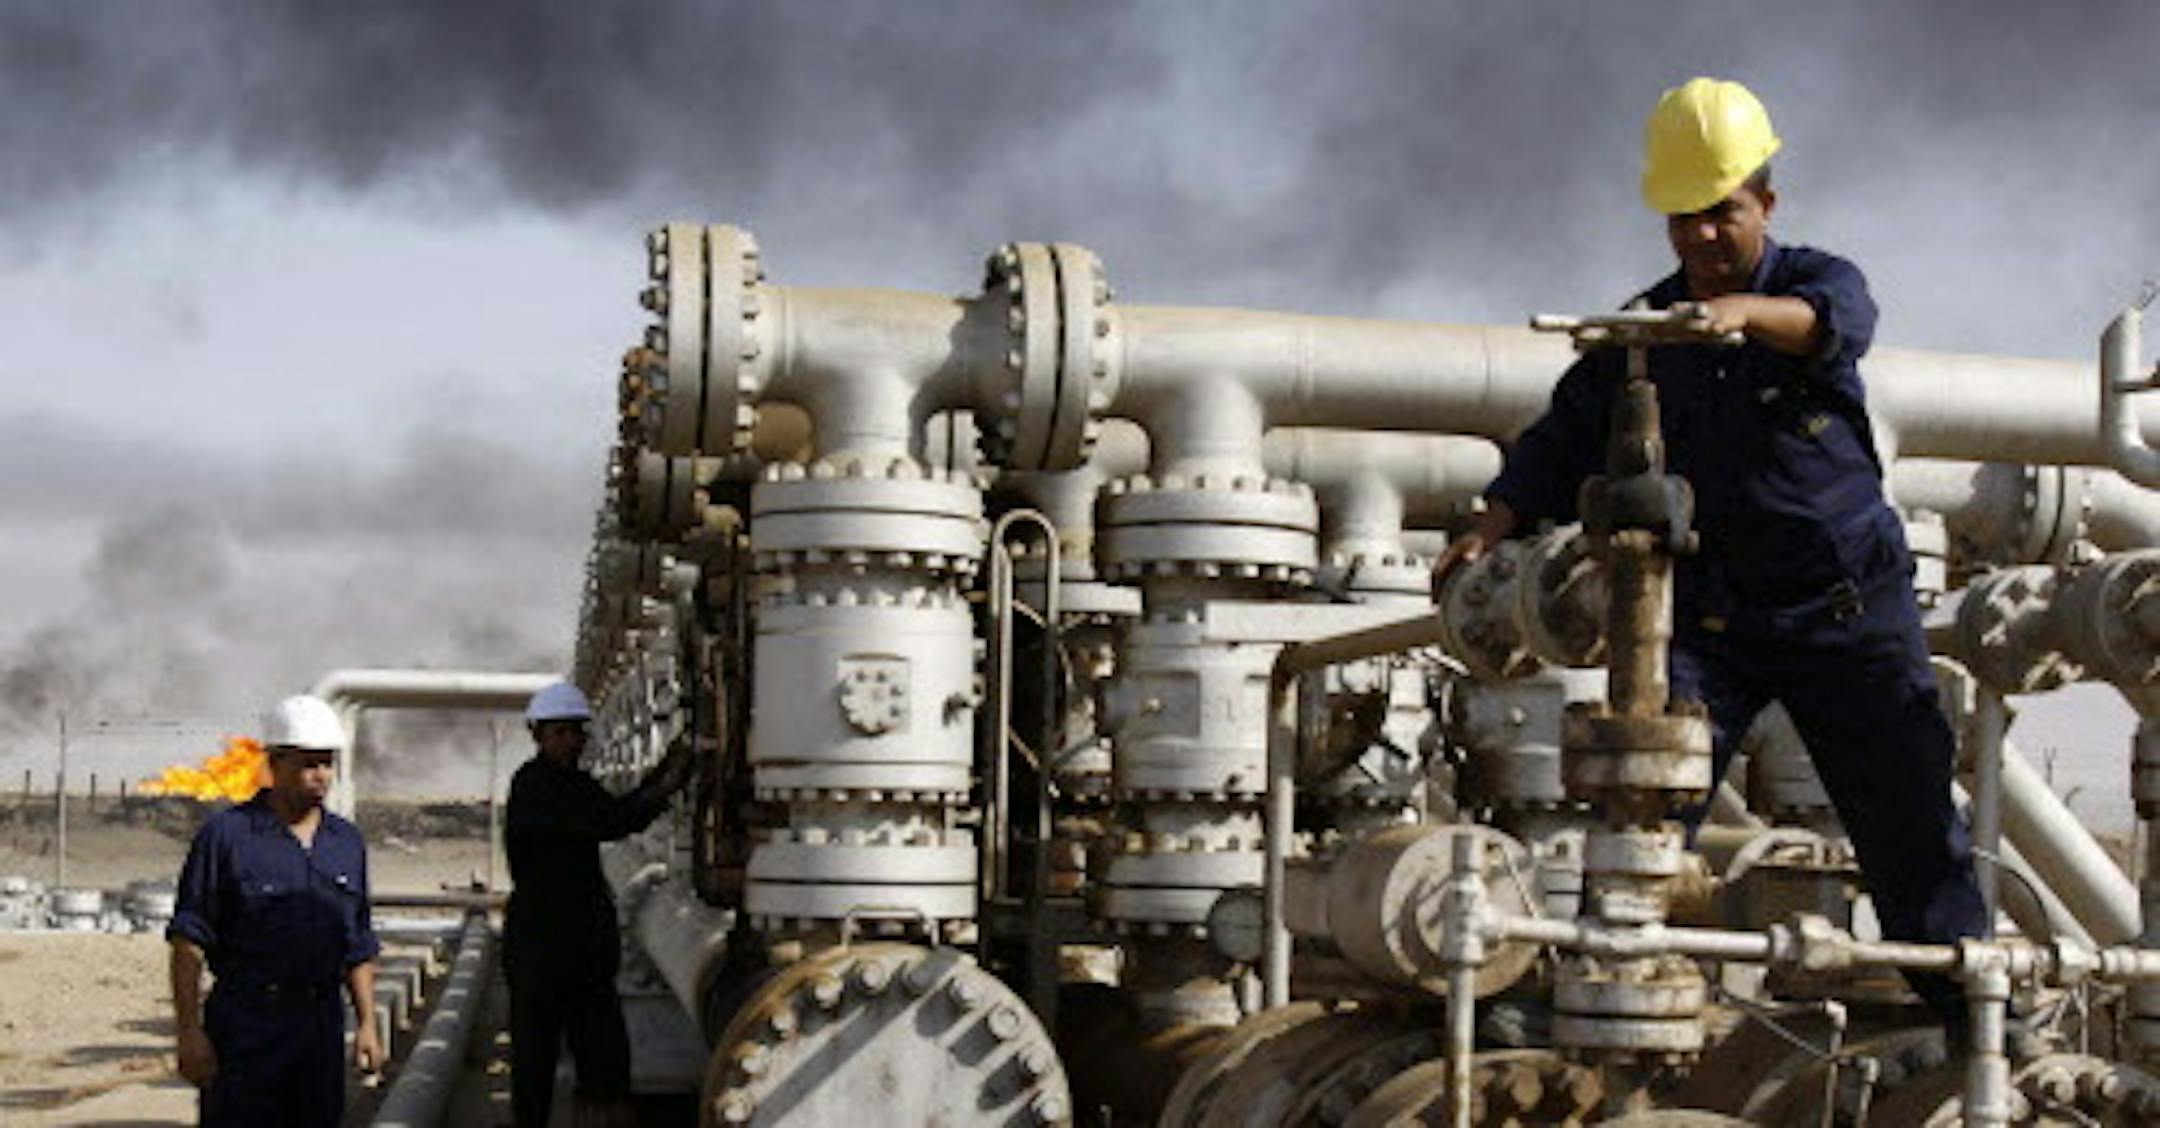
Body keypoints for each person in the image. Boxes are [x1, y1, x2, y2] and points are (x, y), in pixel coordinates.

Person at [1435, 77, 1987, 1029]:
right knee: (1643, 802)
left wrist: (1742, 316)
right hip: (1713, 622)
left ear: (1764, 205)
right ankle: (1593, 993)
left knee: (1909, 821)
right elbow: (1562, 437)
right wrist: (1491, 521)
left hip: (1845, 611)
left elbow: (1833, 325)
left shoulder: (1815, 284)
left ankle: (1969, 1017)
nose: (1700, 238)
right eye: (1681, 219)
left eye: (1721, 215)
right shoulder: (1642, 333)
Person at [168, 694, 383, 1127]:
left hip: (318, 1027)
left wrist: (367, 1024)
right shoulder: (227, 838)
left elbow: (357, 944)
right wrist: (189, 1032)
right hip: (247, 1027)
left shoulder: (345, 844)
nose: (320, 775)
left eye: (327, 763)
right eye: (307, 763)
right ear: (274, 763)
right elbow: (188, 941)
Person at [504, 680, 693, 1128]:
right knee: (535, 1059)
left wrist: (667, 776)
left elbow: (615, 814)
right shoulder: (533, 786)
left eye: (576, 732)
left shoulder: (575, 784)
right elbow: (613, 819)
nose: (571, 741)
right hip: (541, 949)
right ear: (539, 735)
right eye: (561, 733)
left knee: (604, 1056)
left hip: (584, 949)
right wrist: (668, 778)